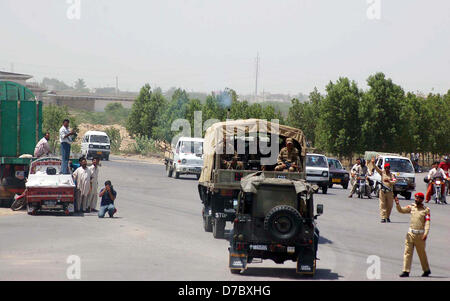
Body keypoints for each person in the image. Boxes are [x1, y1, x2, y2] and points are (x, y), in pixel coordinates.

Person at [395, 193, 431, 277]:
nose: (416, 200)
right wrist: (397, 204)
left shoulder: (426, 210)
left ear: (422, 200)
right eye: (416, 198)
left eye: (418, 198)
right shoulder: (411, 207)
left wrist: (426, 233)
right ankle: (406, 271)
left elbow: (427, 223)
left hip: (420, 235)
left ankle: (426, 270)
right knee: (407, 252)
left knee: (421, 253)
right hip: (410, 234)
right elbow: (401, 210)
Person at [373, 157, 397, 223]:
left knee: (389, 205)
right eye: (386, 168)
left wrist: (389, 181)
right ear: (384, 168)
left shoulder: (392, 175)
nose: (387, 169)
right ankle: (383, 217)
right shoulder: (382, 173)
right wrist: (373, 163)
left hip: (389, 192)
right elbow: (377, 169)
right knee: (382, 204)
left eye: (388, 168)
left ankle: (387, 217)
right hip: (383, 191)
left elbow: (394, 181)